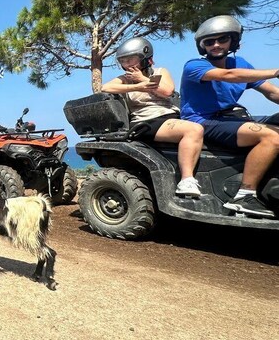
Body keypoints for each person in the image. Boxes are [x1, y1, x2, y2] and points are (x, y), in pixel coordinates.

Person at [180, 15, 279, 217]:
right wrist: (275, 71)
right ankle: (245, 196)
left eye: (222, 39)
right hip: (203, 121)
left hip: (232, 119)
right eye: (209, 42)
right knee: (273, 136)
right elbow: (229, 76)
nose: (216, 45)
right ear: (202, 46)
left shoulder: (239, 63)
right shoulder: (194, 66)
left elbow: (271, 92)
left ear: (232, 41)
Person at [102, 37, 205, 198]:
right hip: (146, 122)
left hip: (172, 117)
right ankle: (187, 180)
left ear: (144, 58)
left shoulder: (160, 72)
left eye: (131, 59)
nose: (128, 64)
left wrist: (143, 79)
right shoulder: (124, 79)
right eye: (123, 61)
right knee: (194, 129)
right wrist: (137, 86)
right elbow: (106, 87)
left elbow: (167, 91)